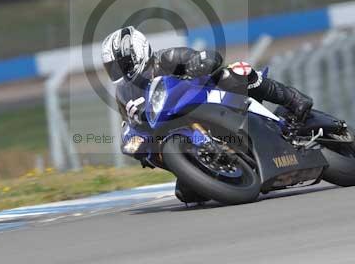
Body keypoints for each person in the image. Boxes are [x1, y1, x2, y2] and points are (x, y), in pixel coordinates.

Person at [101, 26, 313, 203]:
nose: (119, 71)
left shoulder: (166, 58)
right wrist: (136, 142)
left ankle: (292, 99)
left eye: (122, 64)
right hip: (175, 130)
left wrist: (199, 61)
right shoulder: (127, 93)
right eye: (113, 68)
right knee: (186, 195)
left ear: (137, 51)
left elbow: (206, 57)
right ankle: (229, 167)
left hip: (208, 99)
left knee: (237, 71)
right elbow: (130, 123)